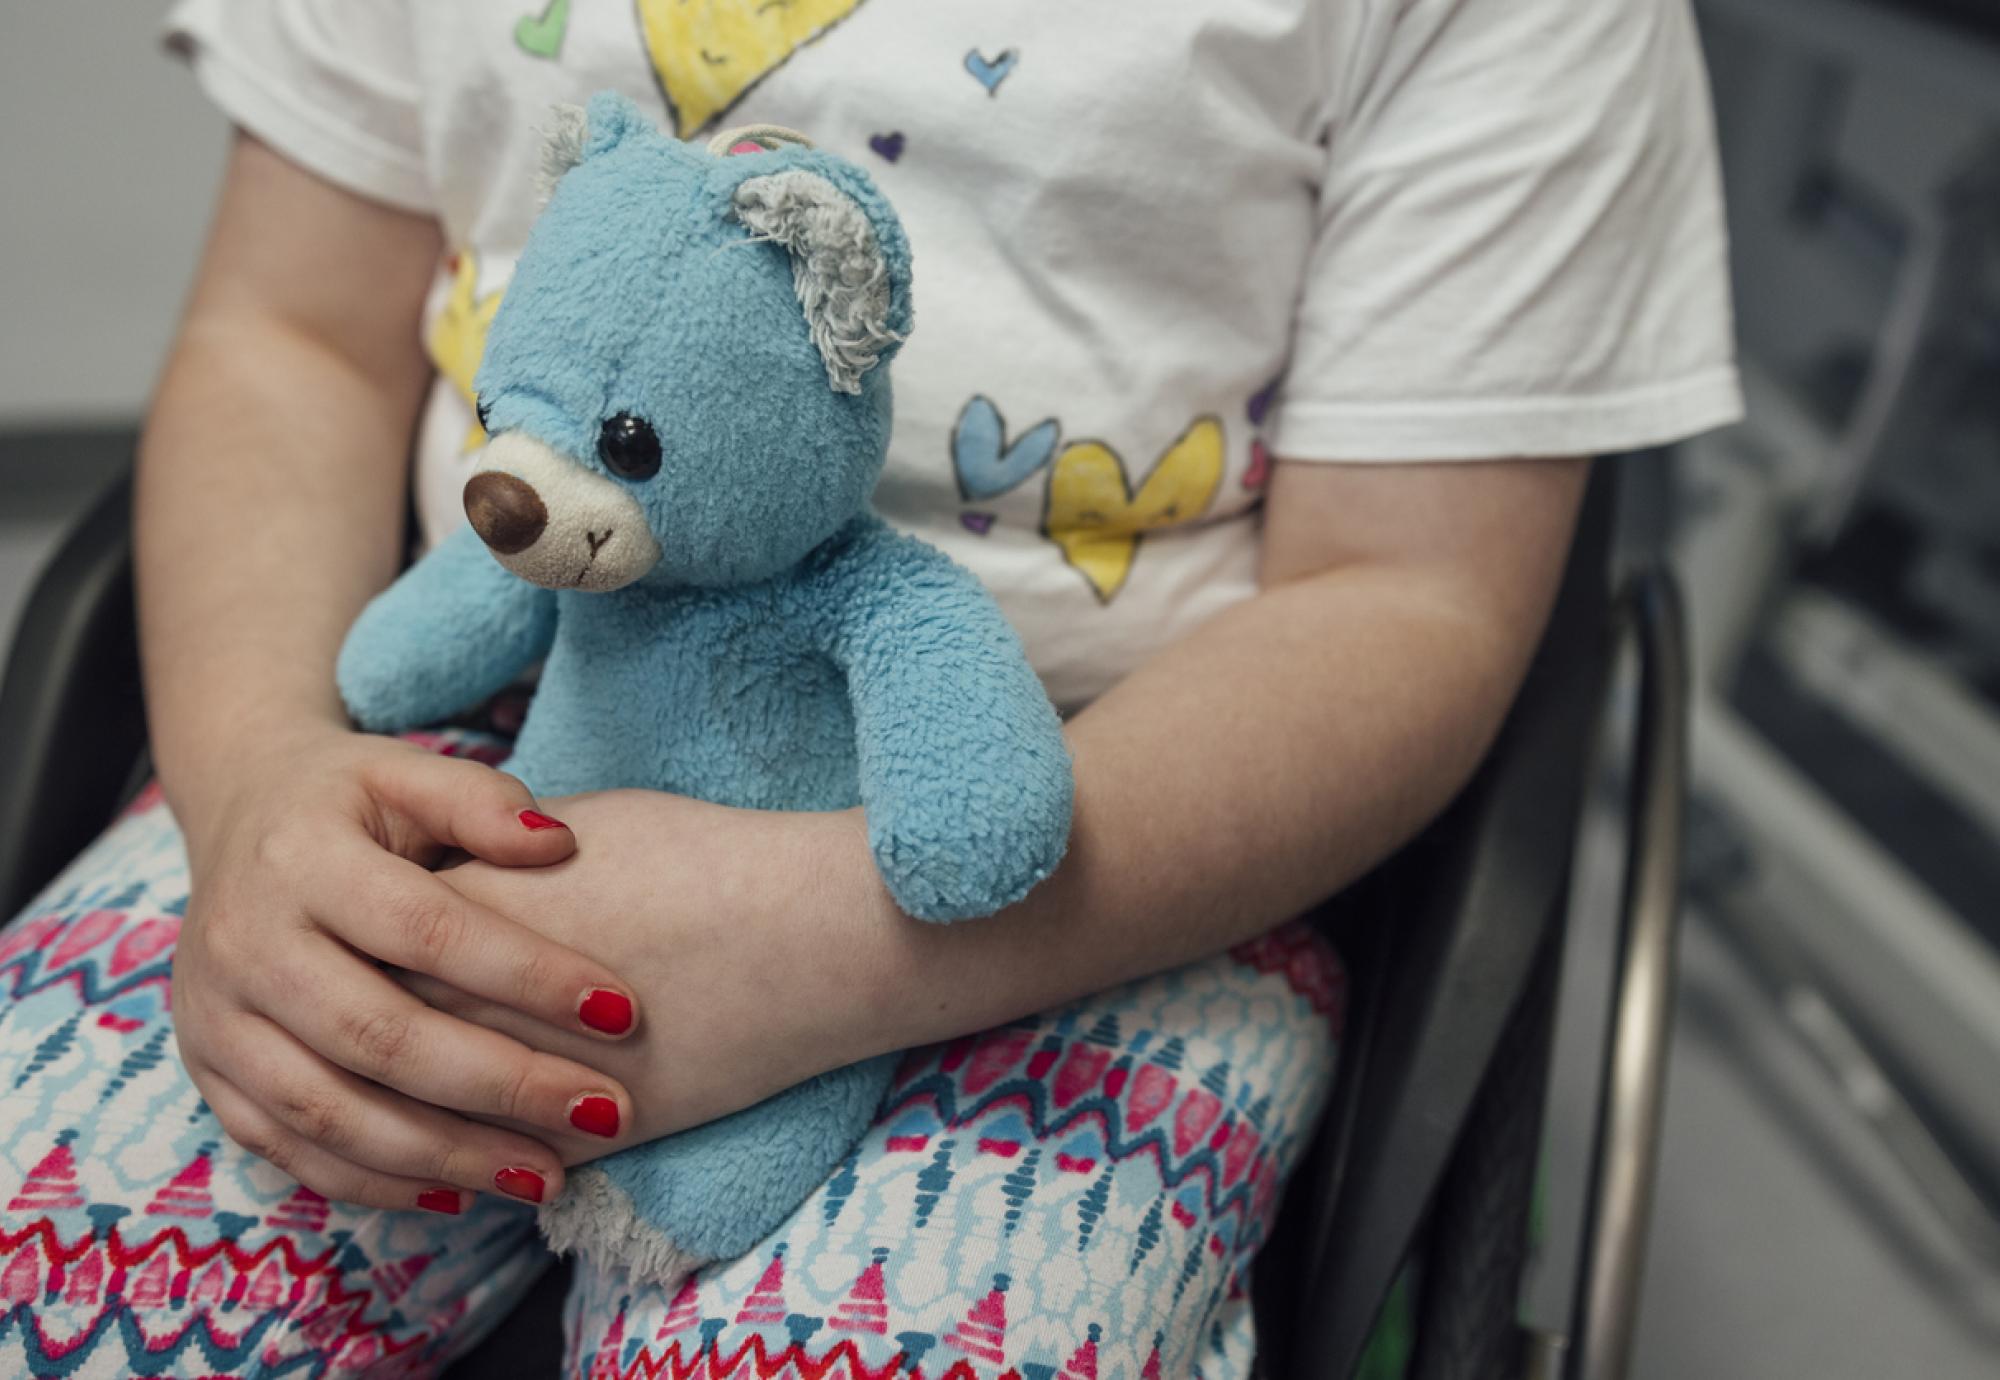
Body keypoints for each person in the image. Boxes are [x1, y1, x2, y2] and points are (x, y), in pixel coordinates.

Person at [0, 0, 1739, 1374]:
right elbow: (291, 336)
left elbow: (1405, 594)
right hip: (447, 740)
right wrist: (252, 792)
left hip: (1098, 836)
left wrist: (835, 938)